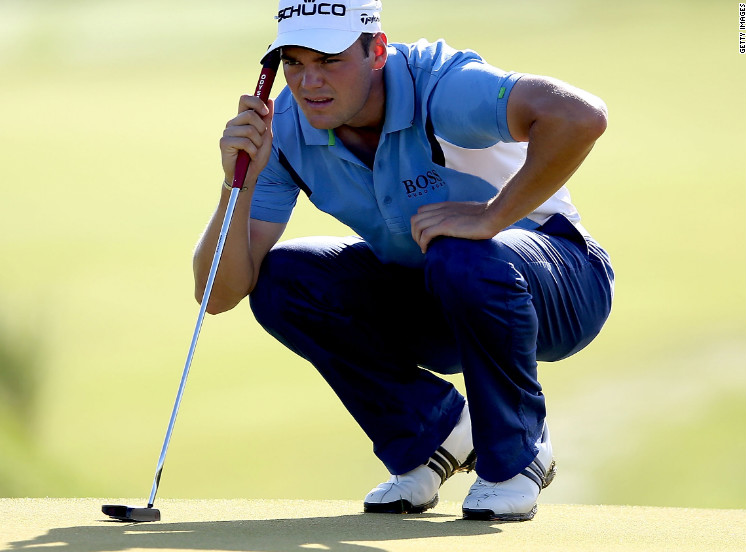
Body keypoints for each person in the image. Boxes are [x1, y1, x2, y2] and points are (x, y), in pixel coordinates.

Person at [193, 0, 614, 521]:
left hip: (563, 284)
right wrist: (240, 182)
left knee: (460, 252)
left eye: (329, 60)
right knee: (284, 279)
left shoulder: (442, 86)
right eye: (294, 62)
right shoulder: (282, 130)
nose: (309, 83)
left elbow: (581, 115)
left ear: (377, 50)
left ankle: (515, 458)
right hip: (439, 292)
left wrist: (492, 216)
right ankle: (433, 435)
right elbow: (217, 294)